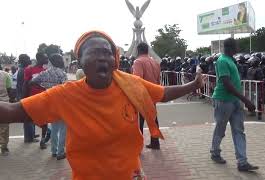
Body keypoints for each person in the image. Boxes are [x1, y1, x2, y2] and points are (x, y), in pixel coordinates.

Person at [0, 30, 206, 179]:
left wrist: (193, 84)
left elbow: (163, 93)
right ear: (79, 62)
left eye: (107, 53)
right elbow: (12, 111)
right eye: (94, 53)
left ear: (115, 59)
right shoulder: (66, 95)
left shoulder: (130, 85)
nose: (103, 58)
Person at [210, 38, 258, 171]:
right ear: (231, 47)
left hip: (235, 101)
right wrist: (246, 100)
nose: (238, 48)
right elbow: (227, 84)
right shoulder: (222, 60)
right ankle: (215, 152)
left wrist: (241, 100)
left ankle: (242, 162)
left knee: (239, 131)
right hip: (223, 100)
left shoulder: (231, 60)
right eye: (236, 45)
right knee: (221, 128)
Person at [30, 54, 67, 160]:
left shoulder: (44, 73)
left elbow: (32, 82)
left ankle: (54, 151)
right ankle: (60, 152)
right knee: (63, 129)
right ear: (59, 61)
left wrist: (43, 87)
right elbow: (65, 89)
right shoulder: (62, 73)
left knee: (54, 128)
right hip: (61, 103)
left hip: (50, 103)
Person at [132, 42, 161, 150]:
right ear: (147, 50)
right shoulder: (155, 62)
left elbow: (137, 80)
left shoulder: (138, 62)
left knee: (139, 121)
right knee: (153, 119)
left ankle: (138, 146)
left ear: (138, 51)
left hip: (143, 95)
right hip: (153, 94)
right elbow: (158, 80)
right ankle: (155, 142)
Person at [23, 52, 50, 149]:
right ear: (39, 58)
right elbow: (25, 84)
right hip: (32, 99)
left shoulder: (46, 70)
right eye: (45, 57)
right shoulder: (29, 70)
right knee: (30, 118)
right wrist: (23, 98)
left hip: (43, 99)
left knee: (45, 121)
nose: (47, 59)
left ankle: (42, 141)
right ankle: (28, 137)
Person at [0, 69, 12, 155]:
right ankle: (4, 148)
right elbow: (9, 89)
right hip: (3, 103)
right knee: (4, 126)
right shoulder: (6, 74)